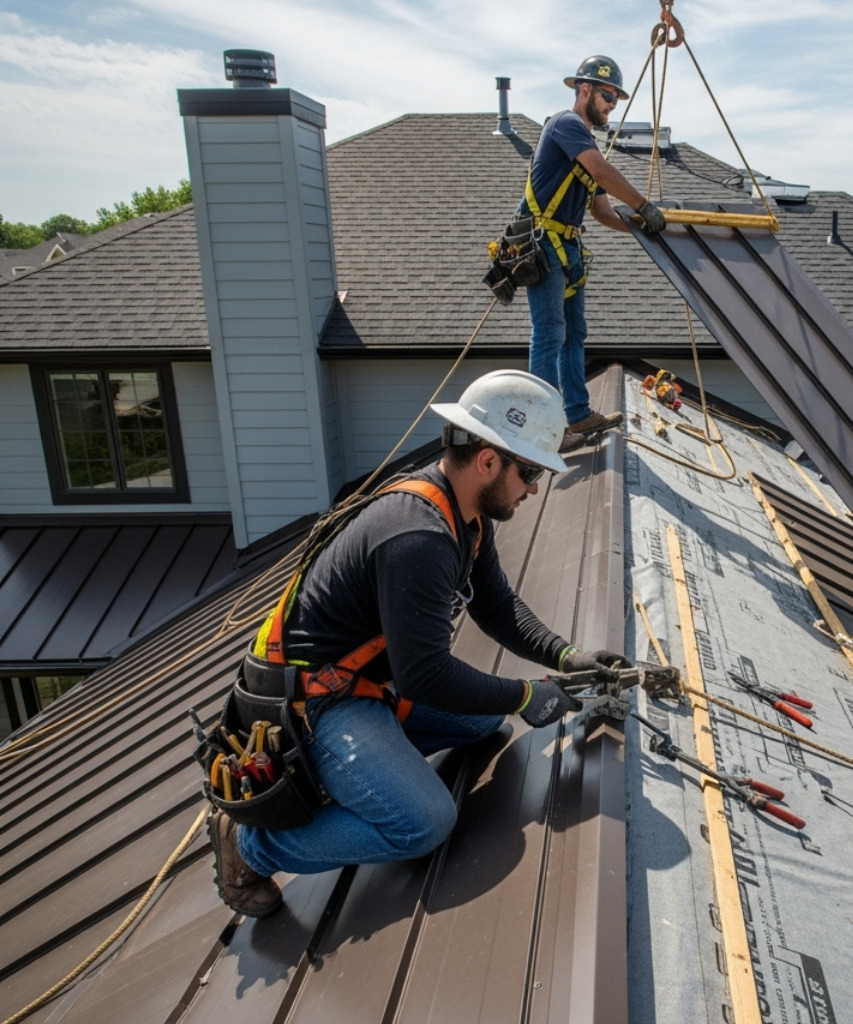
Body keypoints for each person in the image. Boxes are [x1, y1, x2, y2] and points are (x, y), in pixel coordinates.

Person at [206, 370, 632, 918]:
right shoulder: (420, 536)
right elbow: (425, 677)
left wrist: (565, 656)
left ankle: (363, 773)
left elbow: (496, 606)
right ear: (487, 460)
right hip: (315, 707)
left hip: (361, 687)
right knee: (423, 822)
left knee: (482, 723)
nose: (532, 488)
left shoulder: (466, 517)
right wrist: (527, 696)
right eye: (528, 472)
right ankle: (250, 846)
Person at [521, 55, 667, 452]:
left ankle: (577, 413)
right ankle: (546, 429)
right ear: (583, 89)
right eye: (607, 96)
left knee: (575, 333)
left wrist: (646, 231)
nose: (611, 106)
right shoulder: (565, 126)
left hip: (566, 245)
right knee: (550, 334)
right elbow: (601, 172)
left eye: (616, 100)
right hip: (542, 242)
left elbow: (601, 210)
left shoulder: (584, 145)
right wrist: (642, 205)